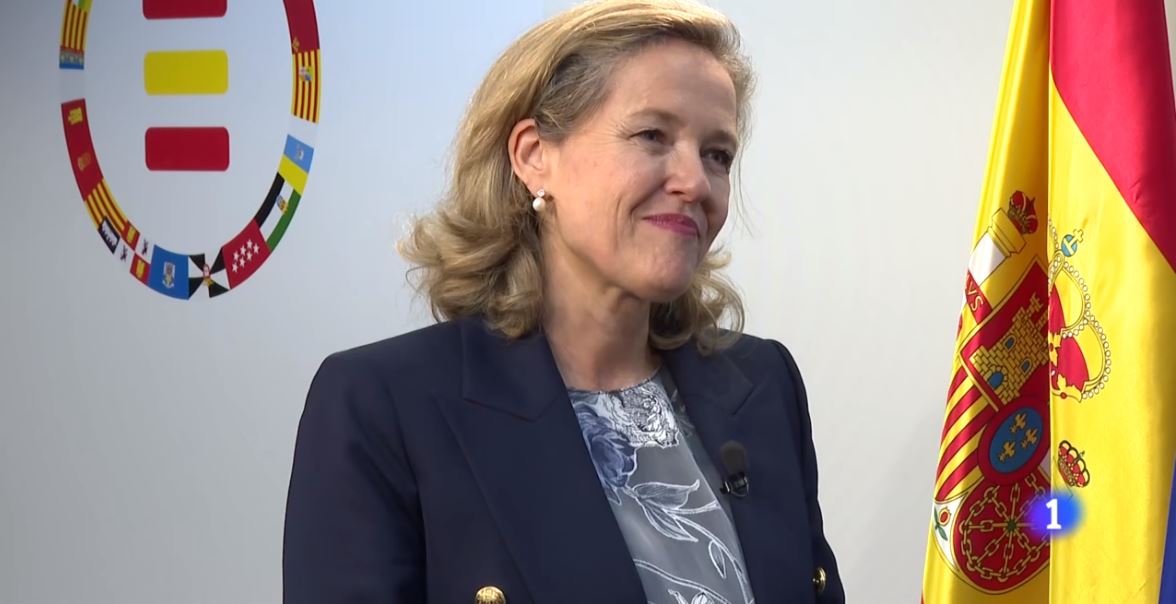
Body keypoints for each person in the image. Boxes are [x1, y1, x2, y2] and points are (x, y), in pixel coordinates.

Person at [283, 1, 844, 602]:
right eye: (652, 136)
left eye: (717, 154)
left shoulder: (765, 383)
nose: (695, 182)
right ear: (533, 156)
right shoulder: (384, 406)